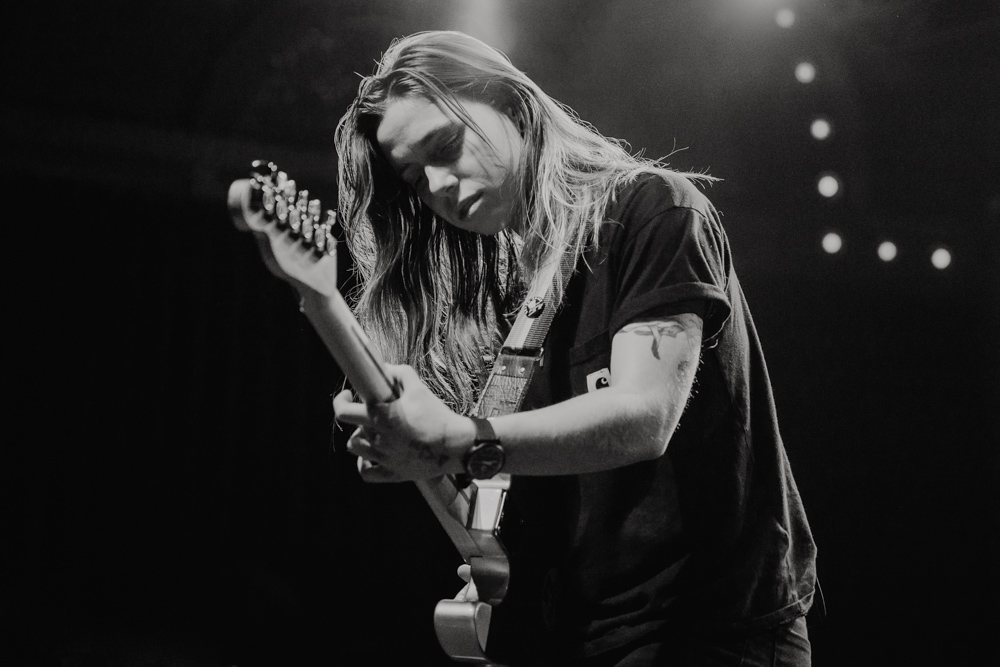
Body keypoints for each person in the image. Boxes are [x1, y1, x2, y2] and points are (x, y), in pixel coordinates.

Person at [323, 30, 818, 666]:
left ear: (511, 104)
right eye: (415, 180)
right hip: (577, 636)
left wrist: (455, 439)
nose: (439, 185)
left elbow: (644, 418)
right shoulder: (504, 291)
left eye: (445, 147)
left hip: (705, 630)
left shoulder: (654, 211)